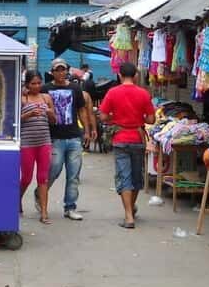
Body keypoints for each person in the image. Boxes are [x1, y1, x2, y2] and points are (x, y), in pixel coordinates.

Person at [98, 62, 155, 229]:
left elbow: (102, 116)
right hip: (138, 138)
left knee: (124, 177)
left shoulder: (112, 92)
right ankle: (131, 208)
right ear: (136, 75)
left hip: (120, 139)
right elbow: (151, 119)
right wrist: (139, 118)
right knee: (136, 177)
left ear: (119, 75)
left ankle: (129, 216)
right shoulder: (143, 93)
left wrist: (115, 118)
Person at [40, 58, 96, 221]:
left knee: (73, 175)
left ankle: (70, 207)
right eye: (57, 70)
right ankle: (40, 194)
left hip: (73, 137)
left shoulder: (75, 88)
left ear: (67, 71)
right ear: (52, 72)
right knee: (54, 170)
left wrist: (86, 131)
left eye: (63, 69)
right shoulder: (45, 89)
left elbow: (81, 110)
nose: (60, 72)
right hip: (55, 137)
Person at [20, 70, 55, 224]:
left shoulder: (46, 98)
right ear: (27, 84)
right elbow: (14, 120)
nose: (36, 86)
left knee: (43, 178)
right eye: (33, 83)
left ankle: (44, 212)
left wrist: (49, 112)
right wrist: (29, 114)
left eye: (39, 83)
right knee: (26, 178)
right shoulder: (22, 99)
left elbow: (54, 120)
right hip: (27, 143)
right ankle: (17, 199)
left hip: (44, 142)